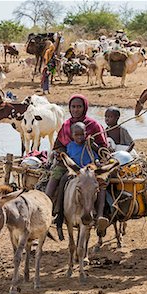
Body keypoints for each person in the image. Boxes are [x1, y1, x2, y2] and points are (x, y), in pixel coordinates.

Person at [45, 94, 109, 240]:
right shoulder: (66, 125)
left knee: (102, 184)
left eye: (79, 106)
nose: (76, 109)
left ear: (85, 107)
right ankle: (53, 211)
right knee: (57, 177)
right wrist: (64, 157)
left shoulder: (94, 125)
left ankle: (100, 215)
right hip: (70, 165)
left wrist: (93, 145)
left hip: (90, 166)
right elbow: (59, 146)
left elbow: (104, 149)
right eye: (73, 107)